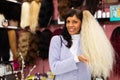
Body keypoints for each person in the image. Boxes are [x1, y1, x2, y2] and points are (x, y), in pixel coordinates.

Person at [49, 9, 115, 80]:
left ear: (81, 23)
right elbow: (55, 68)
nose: (70, 25)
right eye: (68, 22)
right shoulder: (57, 41)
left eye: (75, 22)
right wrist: (76, 59)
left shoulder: (88, 42)